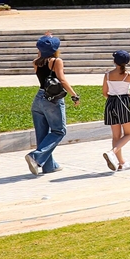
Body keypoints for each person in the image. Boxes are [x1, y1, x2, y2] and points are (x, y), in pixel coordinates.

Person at [25, 35, 79, 175]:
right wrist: (74, 95)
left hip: (38, 99)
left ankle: (49, 166)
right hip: (52, 100)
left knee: (42, 135)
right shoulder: (56, 61)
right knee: (59, 131)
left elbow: (41, 54)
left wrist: (44, 41)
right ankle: (35, 156)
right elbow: (62, 80)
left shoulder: (35, 62)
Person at [101, 49, 130, 172]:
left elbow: (104, 93)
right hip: (123, 103)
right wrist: (128, 96)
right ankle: (112, 153)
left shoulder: (107, 74)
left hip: (110, 103)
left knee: (116, 136)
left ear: (115, 61)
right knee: (129, 133)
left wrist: (113, 97)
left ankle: (121, 163)